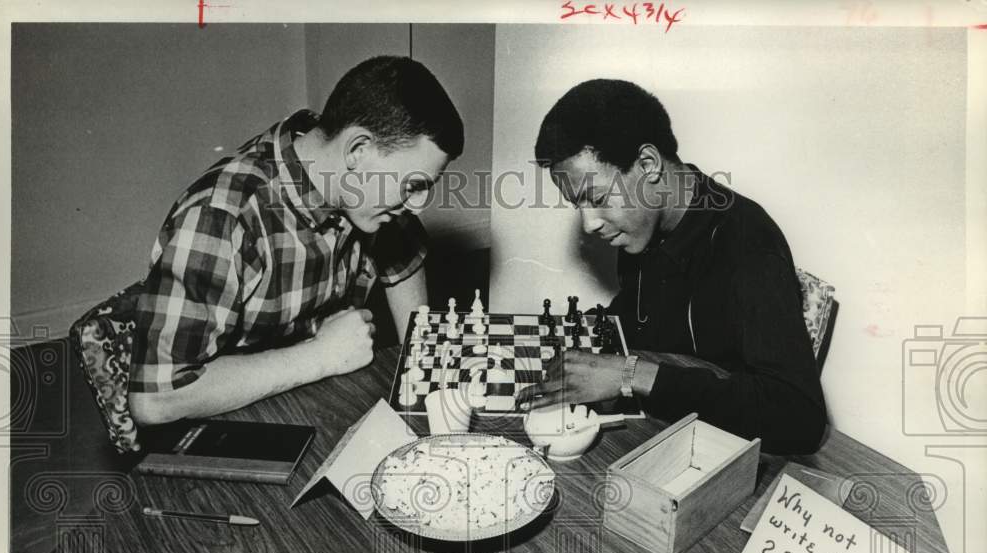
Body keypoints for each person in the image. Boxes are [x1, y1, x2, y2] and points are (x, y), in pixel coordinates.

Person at [128, 56, 463, 426]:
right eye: (413, 186)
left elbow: (405, 258)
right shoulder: (222, 215)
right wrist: (319, 356)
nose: (417, 204)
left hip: (315, 402)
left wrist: (420, 360)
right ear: (357, 150)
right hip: (221, 427)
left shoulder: (356, 185)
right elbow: (155, 400)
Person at [521, 79, 827, 455]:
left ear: (648, 164)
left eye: (597, 198)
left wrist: (629, 375)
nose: (589, 224)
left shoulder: (747, 244)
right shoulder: (645, 224)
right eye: (577, 205)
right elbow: (647, 316)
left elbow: (800, 418)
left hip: (730, 460)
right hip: (663, 431)